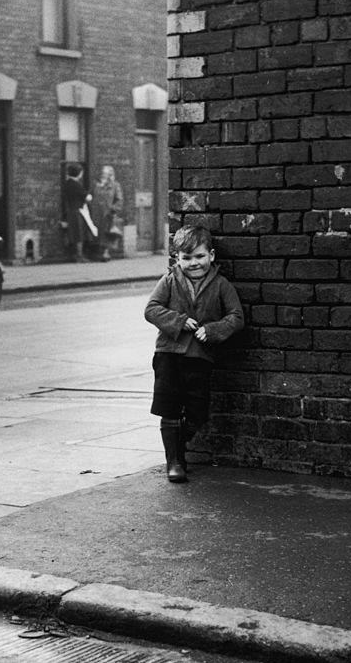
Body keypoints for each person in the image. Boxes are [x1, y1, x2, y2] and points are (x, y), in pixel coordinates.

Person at [144, 224, 244, 483]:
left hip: (200, 356)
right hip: (168, 354)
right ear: (178, 258)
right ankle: (174, 462)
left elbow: (236, 317)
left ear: (211, 255)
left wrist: (213, 330)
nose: (193, 263)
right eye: (186, 258)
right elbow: (151, 309)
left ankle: (178, 445)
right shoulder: (169, 281)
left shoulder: (221, 285)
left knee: (198, 411)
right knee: (169, 407)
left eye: (199, 256)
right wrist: (178, 321)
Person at [90, 165, 124, 261]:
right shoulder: (95, 184)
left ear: (110, 174)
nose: (103, 174)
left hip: (107, 213)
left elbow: (119, 199)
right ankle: (96, 253)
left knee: (106, 234)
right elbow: (90, 196)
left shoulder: (114, 185)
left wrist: (113, 209)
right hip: (95, 213)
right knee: (95, 232)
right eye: (102, 172)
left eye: (105, 173)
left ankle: (105, 253)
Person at [62, 163, 90, 262]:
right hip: (78, 210)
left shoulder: (66, 184)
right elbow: (87, 197)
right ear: (79, 173)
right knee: (79, 233)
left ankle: (72, 254)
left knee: (72, 233)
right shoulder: (77, 185)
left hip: (69, 210)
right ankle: (79, 256)